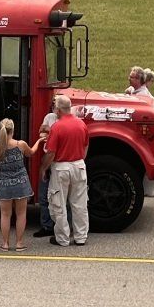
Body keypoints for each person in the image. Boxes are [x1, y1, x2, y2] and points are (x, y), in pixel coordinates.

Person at [43, 95, 91, 247]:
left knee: (58, 203)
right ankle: (81, 237)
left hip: (61, 168)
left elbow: (50, 153)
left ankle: (62, 238)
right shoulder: (81, 124)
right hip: (79, 165)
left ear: (58, 109)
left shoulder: (57, 127)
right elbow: (85, 146)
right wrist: (80, 160)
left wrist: (43, 168)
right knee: (80, 203)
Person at [0, 118, 36, 251]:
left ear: (0, 130)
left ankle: (5, 243)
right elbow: (31, 153)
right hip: (21, 183)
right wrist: (38, 141)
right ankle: (19, 243)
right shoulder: (21, 144)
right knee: (21, 214)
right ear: (13, 131)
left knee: (5, 215)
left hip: (4, 184)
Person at [31, 106, 57, 236]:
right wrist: (47, 132)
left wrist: (50, 131)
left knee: (61, 197)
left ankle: (62, 227)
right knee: (43, 196)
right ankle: (46, 226)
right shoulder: (49, 117)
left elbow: (60, 136)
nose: (53, 108)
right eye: (52, 105)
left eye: (56, 106)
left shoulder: (66, 122)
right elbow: (41, 131)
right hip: (48, 156)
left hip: (58, 160)